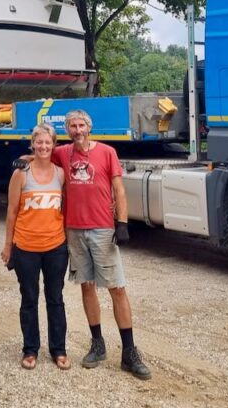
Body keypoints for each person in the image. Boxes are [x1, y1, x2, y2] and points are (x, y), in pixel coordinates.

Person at [52, 109, 151, 380]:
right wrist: (22, 161)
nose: (77, 129)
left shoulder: (107, 152)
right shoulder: (61, 153)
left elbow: (118, 189)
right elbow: (40, 155)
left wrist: (122, 222)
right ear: (67, 130)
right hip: (74, 229)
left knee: (117, 288)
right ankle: (97, 344)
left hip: (102, 229)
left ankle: (129, 352)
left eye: (81, 124)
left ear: (89, 126)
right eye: (72, 126)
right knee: (87, 286)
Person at [1, 123, 69, 370]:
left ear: (54, 145)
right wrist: (8, 246)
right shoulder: (21, 173)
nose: (43, 147)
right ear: (32, 144)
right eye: (38, 142)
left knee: (56, 299)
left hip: (55, 246)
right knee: (29, 298)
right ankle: (30, 350)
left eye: (47, 143)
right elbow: (11, 211)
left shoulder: (61, 174)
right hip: (26, 246)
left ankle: (58, 350)